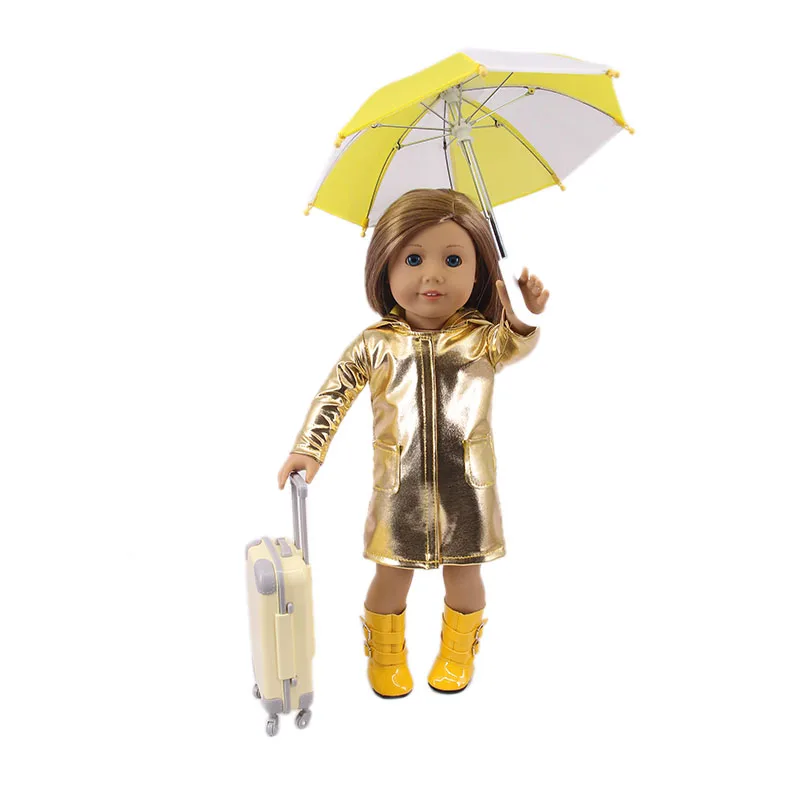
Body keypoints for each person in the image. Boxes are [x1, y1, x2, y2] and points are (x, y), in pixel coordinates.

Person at [277, 188, 549, 698]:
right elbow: (335, 394)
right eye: (414, 259)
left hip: (467, 486)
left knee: (465, 576)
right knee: (390, 577)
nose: (433, 276)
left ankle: (457, 653)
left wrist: (521, 312)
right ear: (385, 267)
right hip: (400, 487)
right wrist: (309, 449)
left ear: (480, 271)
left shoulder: (481, 338)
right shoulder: (376, 343)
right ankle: (385, 655)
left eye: (453, 260)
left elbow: (514, 343)